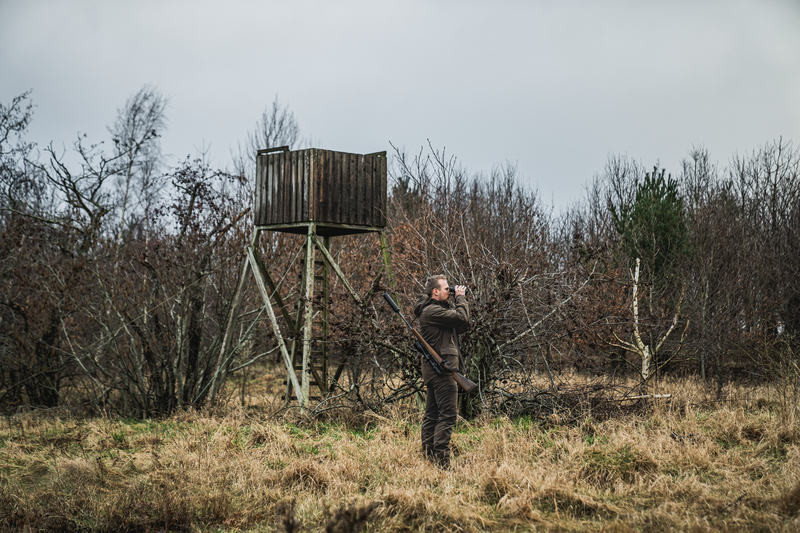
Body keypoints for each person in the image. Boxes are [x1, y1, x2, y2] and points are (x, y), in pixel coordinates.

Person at [413, 275, 469, 470]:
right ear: (435, 292)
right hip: (442, 373)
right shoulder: (431, 311)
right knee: (448, 415)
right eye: (446, 289)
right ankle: (442, 464)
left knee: (433, 414)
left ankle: (430, 460)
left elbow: (462, 325)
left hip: (437, 372)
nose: (450, 291)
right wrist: (461, 298)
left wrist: (454, 301)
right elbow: (462, 316)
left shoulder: (435, 311)